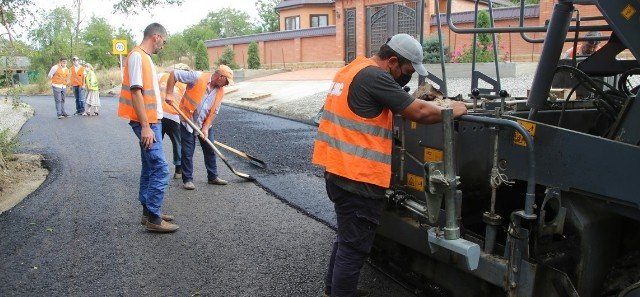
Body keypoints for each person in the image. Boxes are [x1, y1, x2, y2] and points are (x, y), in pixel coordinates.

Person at [312, 33, 467, 297]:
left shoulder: (351, 69)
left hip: (338, 170)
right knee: (355, 246)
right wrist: (457, 108)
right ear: (393, 61)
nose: (407, 77)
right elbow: (418, 112)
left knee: (347, 238)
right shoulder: (375, 76)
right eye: (407, 71)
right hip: (358, 177)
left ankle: (334, 290)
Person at [117, 22, 178, 233]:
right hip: (147, 123)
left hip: (153, 121)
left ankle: (149, 212)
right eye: (164, 41)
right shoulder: (137, 57)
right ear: (156, 37)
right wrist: (145, 126)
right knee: (161, 169)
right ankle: (153, 216)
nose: (164, 45)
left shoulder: (145, 58)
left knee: (150, 168)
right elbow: (136, 92)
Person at [164, 65, 234, 190]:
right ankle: (188, 180)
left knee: (209, 149)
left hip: (204, 123)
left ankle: (213, 177)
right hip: (188, 121)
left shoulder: (220, 91)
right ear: (220, 77)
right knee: (187, 151)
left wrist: (206, 128)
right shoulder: (197, 77)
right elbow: (174, 74)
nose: (227, 84)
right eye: (227, 81)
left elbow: (214, 112)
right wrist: (169, 93)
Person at [158, 72, 187, 179]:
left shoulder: (161, 76)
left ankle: (156, 167)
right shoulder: (184, 84)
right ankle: (178, 170)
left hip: (159, 114)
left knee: (156, 143)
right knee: (178, 143)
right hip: (174, 117)